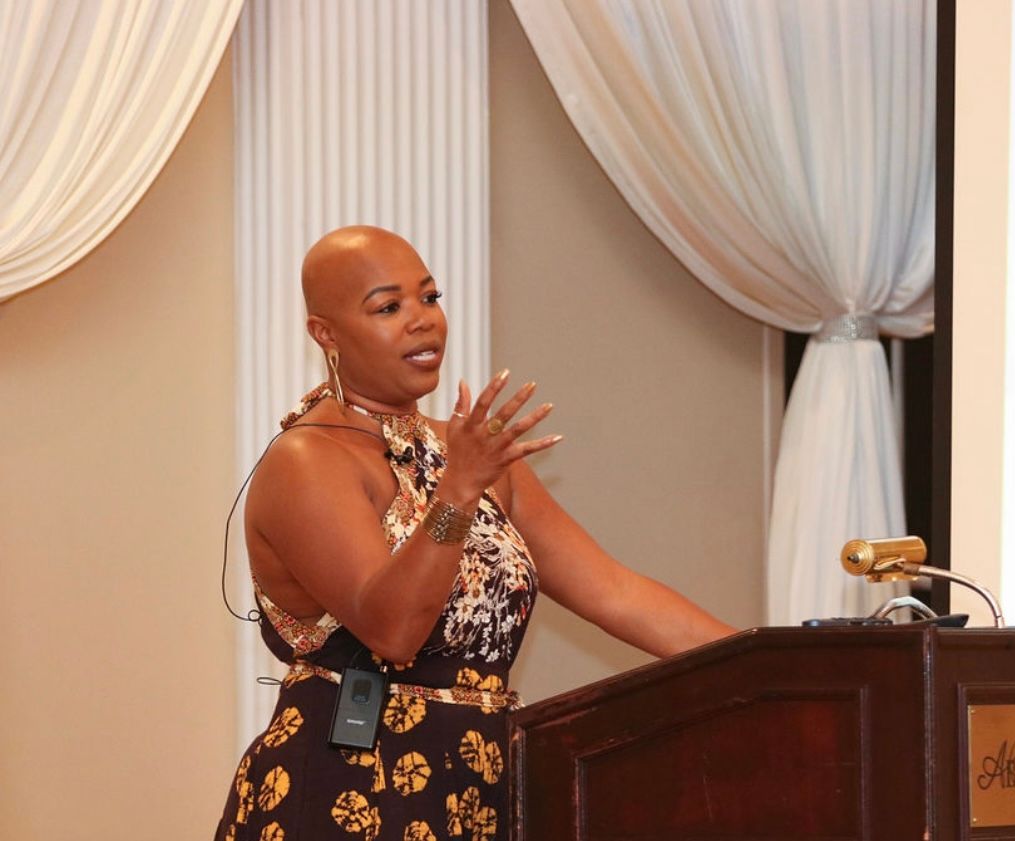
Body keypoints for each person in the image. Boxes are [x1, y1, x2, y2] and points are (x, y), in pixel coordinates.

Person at [215, 225, 735, 841]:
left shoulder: (468, 454)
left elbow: (616, 593)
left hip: (477, 787)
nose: (422, 321)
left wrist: (773, 665)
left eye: (429, 298)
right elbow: (393, 630)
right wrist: (457, 492)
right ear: (325, 333)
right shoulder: (309, 461)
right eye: (388, 307)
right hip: (346, 793)